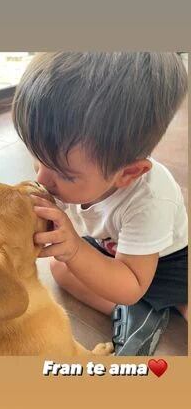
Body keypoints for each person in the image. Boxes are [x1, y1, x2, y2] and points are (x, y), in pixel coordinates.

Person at [12, 52, 188, 355]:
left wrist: (77, 249)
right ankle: (133, 314)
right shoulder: (78, 171)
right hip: (110, 250)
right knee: (60, 266)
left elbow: (132, 283)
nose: (42, 178)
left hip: (169, 263)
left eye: (64, 174)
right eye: (36, 158)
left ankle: (149, 305)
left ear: (128, 173)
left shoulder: (151, 199)